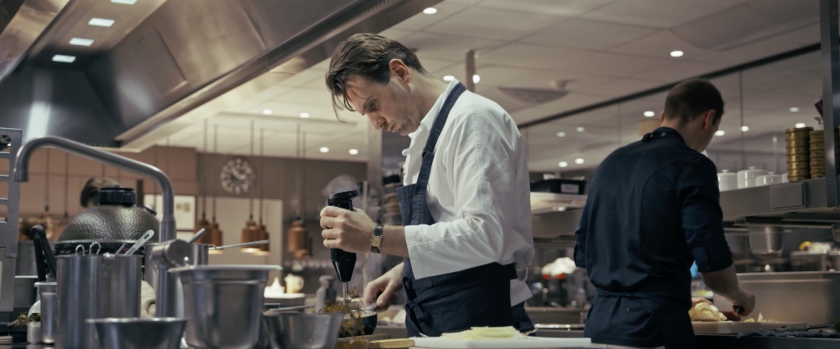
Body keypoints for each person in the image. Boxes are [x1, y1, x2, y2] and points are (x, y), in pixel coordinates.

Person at [319, 33, 534, 336]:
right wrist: (407, 271)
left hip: (487, 327)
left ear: (400, 72)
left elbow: (485, 236)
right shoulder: (425, 140)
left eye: (373, 105)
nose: (375, 123)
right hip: (446, 328)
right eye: (365, 113)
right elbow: (450, 231)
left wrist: (376, 237)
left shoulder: (472, 121)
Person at [574, 79, 756, 349]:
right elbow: (710, 255)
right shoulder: (693, 165)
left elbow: (581, 252)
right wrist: (738, 295)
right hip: (653, 327)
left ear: (663, 117)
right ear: (709, 118)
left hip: (599, 326)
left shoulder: (610, 162)